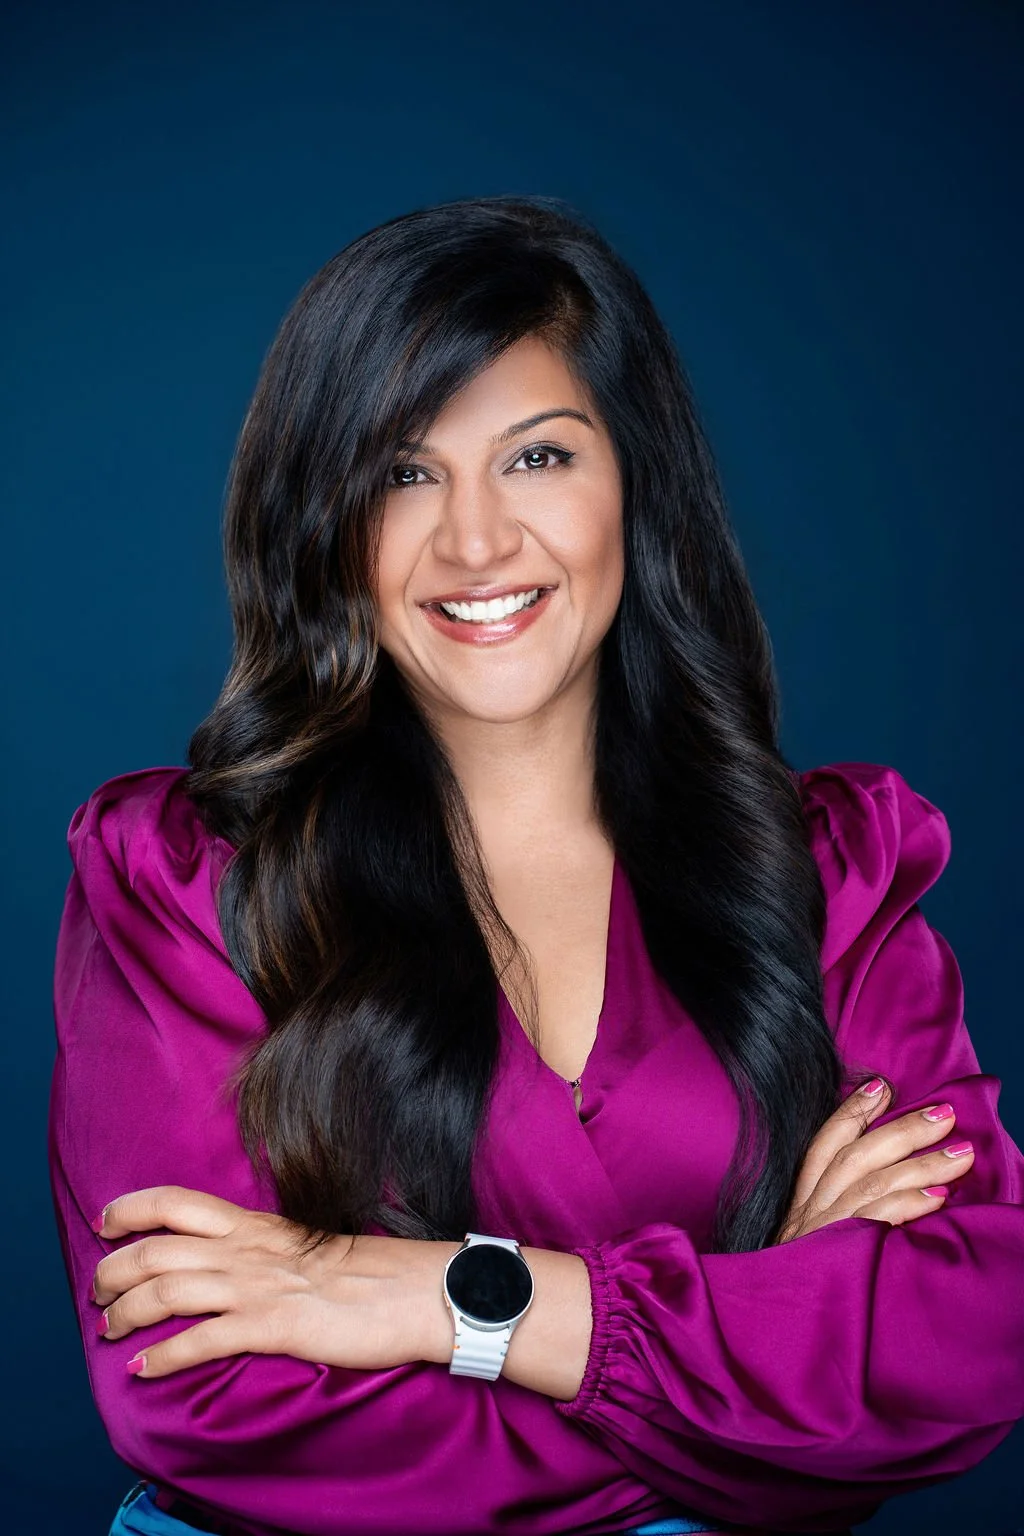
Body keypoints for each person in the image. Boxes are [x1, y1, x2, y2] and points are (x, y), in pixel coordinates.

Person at [50, 194, 1024, 1536]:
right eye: (402, 473)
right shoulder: (184, 883)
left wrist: (441, 1300)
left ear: (637, 479)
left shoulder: (828, 873)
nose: (475, 543)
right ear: (324, 521)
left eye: (537, 458)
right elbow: (205, 1404)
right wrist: (772, 1345)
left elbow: (965, 1343)